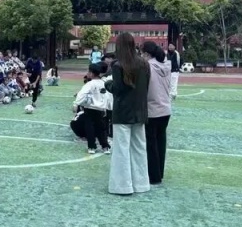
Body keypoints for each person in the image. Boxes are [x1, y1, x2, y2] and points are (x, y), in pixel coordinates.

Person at [105, 32, 151, 196]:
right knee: (139, 148)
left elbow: (118, 89)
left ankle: (122, 186)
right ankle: (141, 183)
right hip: (140, 110)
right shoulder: (144, 64)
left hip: (123, 112)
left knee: (121, 149)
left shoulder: (118, 65)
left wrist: (108, 84)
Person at [142, 41, 172, 185]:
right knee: (161, 142)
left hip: (152, 109)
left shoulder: (147, 66)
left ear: (147, 53)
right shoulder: (166, 65)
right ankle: (159, 172)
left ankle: (153, 176)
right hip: (165, 108)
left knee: (151, 144)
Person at [73, 63, 111, 154]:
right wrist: (106, 107)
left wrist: (77, 103)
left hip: (90, 109)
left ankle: (92, 147)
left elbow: (81, 95)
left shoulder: (89, 84)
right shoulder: (104, 83)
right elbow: (108, 97)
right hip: (101, 109)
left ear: (91, 73)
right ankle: (105, 147)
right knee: (101, 129)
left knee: (90, 128)